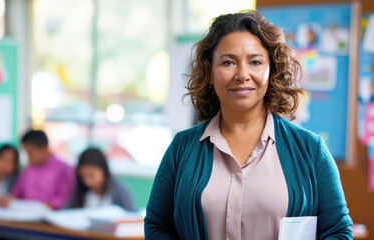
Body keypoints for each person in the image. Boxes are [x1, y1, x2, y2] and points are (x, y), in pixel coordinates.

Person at [144, 10, 353, 240]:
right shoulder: (182, 148)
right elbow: (157, 225)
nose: (242, 74)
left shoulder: (310, 149)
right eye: (228, 62)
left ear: (271, 70)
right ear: (210, 73)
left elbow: (338, 232)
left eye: (255, 62)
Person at [0, 130, 74, 210]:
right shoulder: (27, 169)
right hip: (25, 215)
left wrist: (51, 205)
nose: (28, 157)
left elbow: (65, 198)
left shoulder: (64, 169)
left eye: (30, 153)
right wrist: (7, 200)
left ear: (45, 148)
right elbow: (16, 193)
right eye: (26, 153)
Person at [67, 147, 135, 211]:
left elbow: (131, 217)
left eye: (91, 175)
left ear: (103, 170)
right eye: (83, 176)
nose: (87, 181)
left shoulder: (120, 190)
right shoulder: (81, 192)